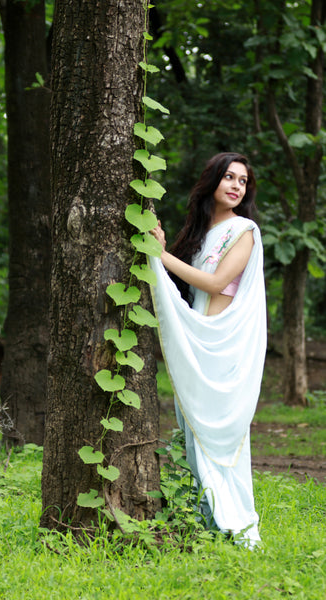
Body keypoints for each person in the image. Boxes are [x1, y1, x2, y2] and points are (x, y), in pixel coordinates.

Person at [150, 152, 267, 548]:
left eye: (243, 181)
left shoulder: (244, 231)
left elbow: (216, 285)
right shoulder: (201, 231)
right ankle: (204, 517)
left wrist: (161, 256)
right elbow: (183, 281)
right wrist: (163, 250)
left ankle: (231, 520)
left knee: (217, 433)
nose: (236, 186)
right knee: (193, 430)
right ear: (212, 182)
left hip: (222, 346)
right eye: (229, 178)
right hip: (199, 342)